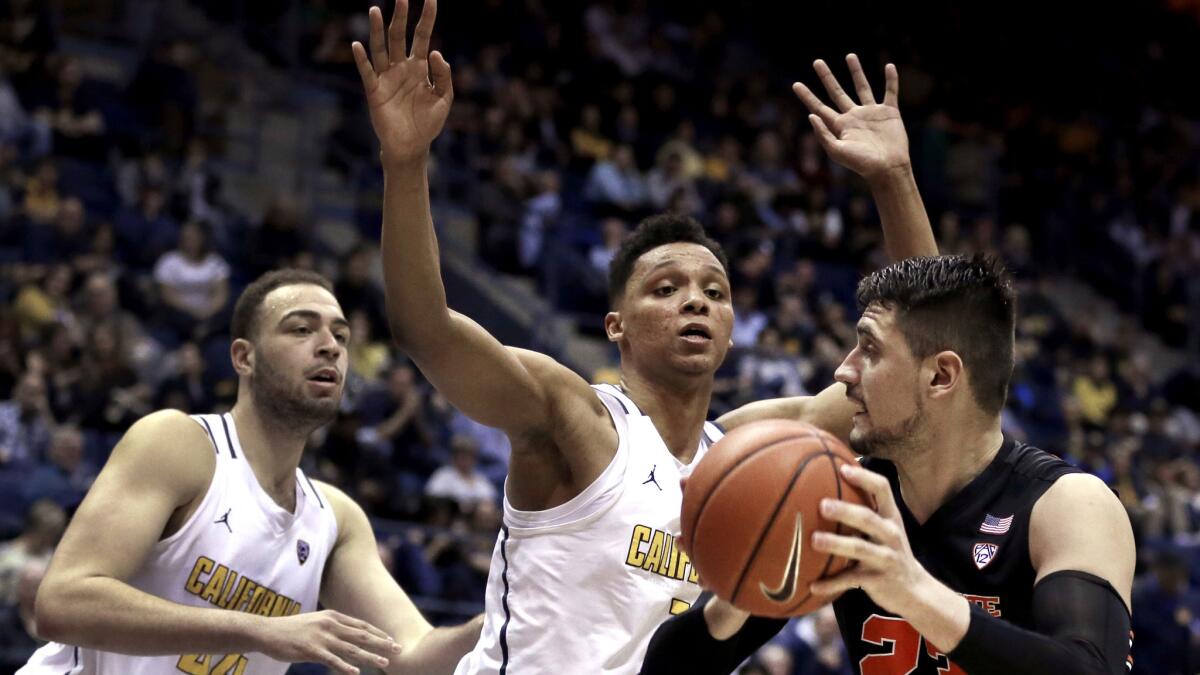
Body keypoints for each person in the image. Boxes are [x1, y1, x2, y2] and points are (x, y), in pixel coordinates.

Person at [351, 1, 935, 671]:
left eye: (715, 292)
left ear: (732, 327)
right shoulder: (575, 418)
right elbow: (425, 330)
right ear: (615, 326)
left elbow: (913, 358)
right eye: (666, 288)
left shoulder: (754, 448)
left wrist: (894, 181)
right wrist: (405, 164)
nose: (696, 300)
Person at [641, 256, 1136, 675]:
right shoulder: (841, 497)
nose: (844, 370)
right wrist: (736, 593)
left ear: (941, 375)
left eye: (870, 349)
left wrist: (911, 588)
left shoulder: (1067, 504)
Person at [19, 269, 483, 675]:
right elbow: (62, 603)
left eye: (341, 337)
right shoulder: (181, 446)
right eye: (302, 329)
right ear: (244, 358)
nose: (330, 347)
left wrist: (501, 621)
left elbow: (415, 656)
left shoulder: (334, 519)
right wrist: (261, 631)